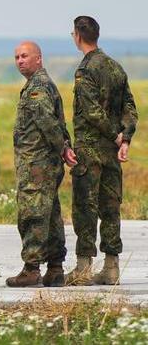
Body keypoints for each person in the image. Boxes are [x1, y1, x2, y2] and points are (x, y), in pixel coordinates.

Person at [66, 16, 138, 286]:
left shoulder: (86, 70)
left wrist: (116, 136)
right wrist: (125, 138)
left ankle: (83, 268)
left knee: (85, 207)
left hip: (90, 150)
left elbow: (91, 111)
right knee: (110, 208)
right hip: (111, 153)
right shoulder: (115, 67)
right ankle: (111, 267)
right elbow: (129, 107)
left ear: (78, 36)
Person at [6, 41, 75, 287]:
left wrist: (63, 148)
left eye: (25, 56)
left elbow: (47, 121)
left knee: (33, 214)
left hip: (37, 164)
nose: (20, 61)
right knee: (51, 213)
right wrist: (64, 147)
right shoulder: (41, 84)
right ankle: (55, 268)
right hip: (43, 162)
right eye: (17, 57)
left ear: (39, 58)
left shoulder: (38, 87)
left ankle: (32, 268)